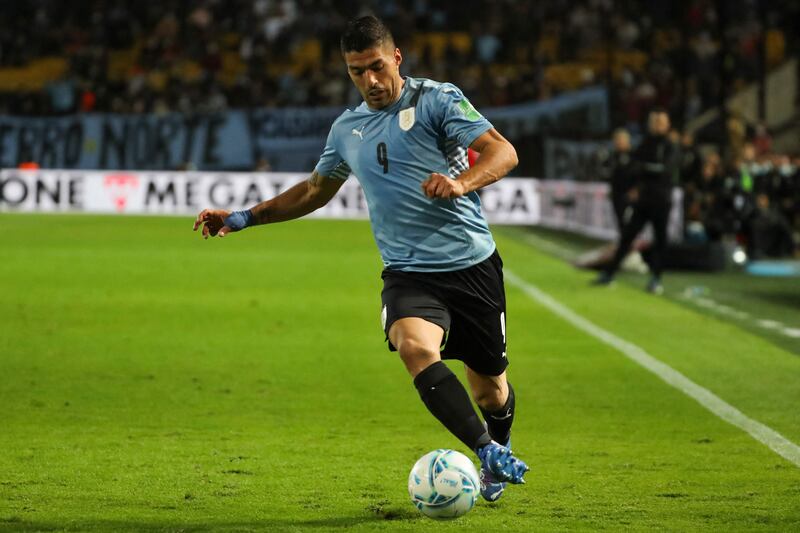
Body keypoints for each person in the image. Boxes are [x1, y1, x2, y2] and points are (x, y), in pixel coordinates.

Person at [193, 15, 529, 500]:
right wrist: (245, 216)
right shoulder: (347, 128)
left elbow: (503, 152)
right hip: (408, 272)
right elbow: (315, 191)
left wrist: (460, 183)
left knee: (491, 391)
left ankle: (500, 441)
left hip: (471, 266)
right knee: (414, 347)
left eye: (375, 66)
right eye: (356, 71)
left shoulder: (437, 99)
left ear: (396, 58)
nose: (369, 81)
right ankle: (485, 451)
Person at [594, 108, 679, 294]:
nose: (656, 125)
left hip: (661, 200)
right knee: (627, 237)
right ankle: (609, 273)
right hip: (645, 199)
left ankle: (656, 278)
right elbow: (633, 167)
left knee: (660, 240)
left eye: (660, 122)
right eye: (655, 122)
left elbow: (665, 170)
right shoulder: (646, 143)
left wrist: (642, 169)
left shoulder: (670, 146)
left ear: (667, 124)